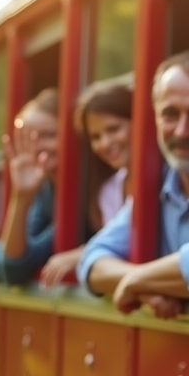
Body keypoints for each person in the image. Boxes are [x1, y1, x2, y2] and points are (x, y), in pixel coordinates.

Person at [76, 51, 189, 319]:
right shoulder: (156, 183)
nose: (183, 131)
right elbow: (92, 260)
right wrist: (146, 286)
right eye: (170, 115)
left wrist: (135, 282)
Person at [40, 77, 133, 286]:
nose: (105, 143)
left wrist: (84, 254)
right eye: (96, 137)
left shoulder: (171, 178)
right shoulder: (109, 191)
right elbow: (114, 247)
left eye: (113, 129)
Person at [0, 88, 59, 284]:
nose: (37, 147)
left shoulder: (83, 191)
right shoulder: (47, 190)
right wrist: (21, 197)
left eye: (49, 135)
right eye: (28, 139)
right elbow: (14, 265)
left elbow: (14, 269)